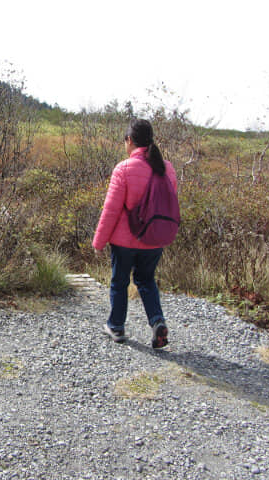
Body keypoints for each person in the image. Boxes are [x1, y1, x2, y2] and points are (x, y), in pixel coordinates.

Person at [92, 118, 178, 348]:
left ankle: (116, 327)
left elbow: (111, 210)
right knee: (147, 281)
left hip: (125, 242)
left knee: (119, 282)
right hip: (154, 239)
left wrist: (98, 242)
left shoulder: (124, 169)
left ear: (130, 140)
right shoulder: (167, 168)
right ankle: (157, 321)